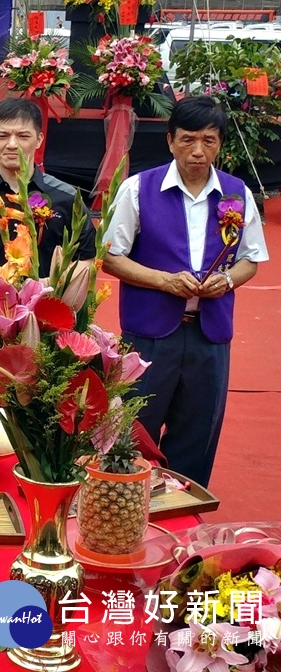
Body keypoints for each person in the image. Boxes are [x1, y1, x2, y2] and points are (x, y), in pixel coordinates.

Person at [104, 96, 267, 487]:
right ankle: (127, 512)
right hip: (149, 336)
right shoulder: (138, 189)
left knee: (197, 437)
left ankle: (183, 525)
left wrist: (226, 281)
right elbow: (109, 257)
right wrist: (164, 281)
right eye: (188, 140)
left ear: (220, 143)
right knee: (134, 433)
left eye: (209, 141)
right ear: (170, 141)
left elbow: (251, 258)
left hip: (209, 337)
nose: (198, 151)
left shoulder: (237, 193)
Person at [0, 98, 97, 412]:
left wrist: (44, 289)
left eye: (23, 136)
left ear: (39, 139)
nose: (12, 144)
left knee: (44, 424)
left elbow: (86, 259)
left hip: (50, 328)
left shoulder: (67, 198)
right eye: (3, 135)